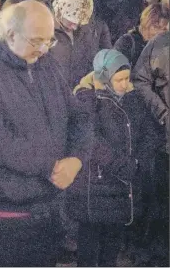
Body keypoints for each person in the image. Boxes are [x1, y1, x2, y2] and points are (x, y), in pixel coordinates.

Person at [0, 1, 92, 267]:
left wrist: (76, 159)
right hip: (1, 210)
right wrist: (50, 166)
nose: (43, 49)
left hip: (47, 206)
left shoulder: (47, 66)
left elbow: (79, 116)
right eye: (36, 41)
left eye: (49, 41)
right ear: (10, 35)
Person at [68, 49, 160, 267]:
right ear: (103, 77)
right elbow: (90, 141)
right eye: (118, 79)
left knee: (112, 247)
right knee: (89, 248)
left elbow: (150, 132)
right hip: (96, 185)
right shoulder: (87, 100)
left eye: (127, 78)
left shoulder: (133, 98)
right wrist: (122, 165)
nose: (124, 83)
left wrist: (138, 162)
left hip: (123, 185)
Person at [133, 31, 169, 267]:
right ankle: (153, 252)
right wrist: (163, 113)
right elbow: (140, 80)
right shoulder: (161, 44)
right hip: (163, 140)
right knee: (159, 200)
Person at [50, 0, 110, 89]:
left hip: (81, 92)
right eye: (71, 21)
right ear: (61, 11)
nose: (75, 26)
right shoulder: (46, 31)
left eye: (79, 22)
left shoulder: (86, 30)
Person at [115, 4, 169, 68]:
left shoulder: (161, 44)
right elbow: (115, 70)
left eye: (165, 30)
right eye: (161, 28)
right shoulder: (126, 41)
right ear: (149, 23)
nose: (163, 33)